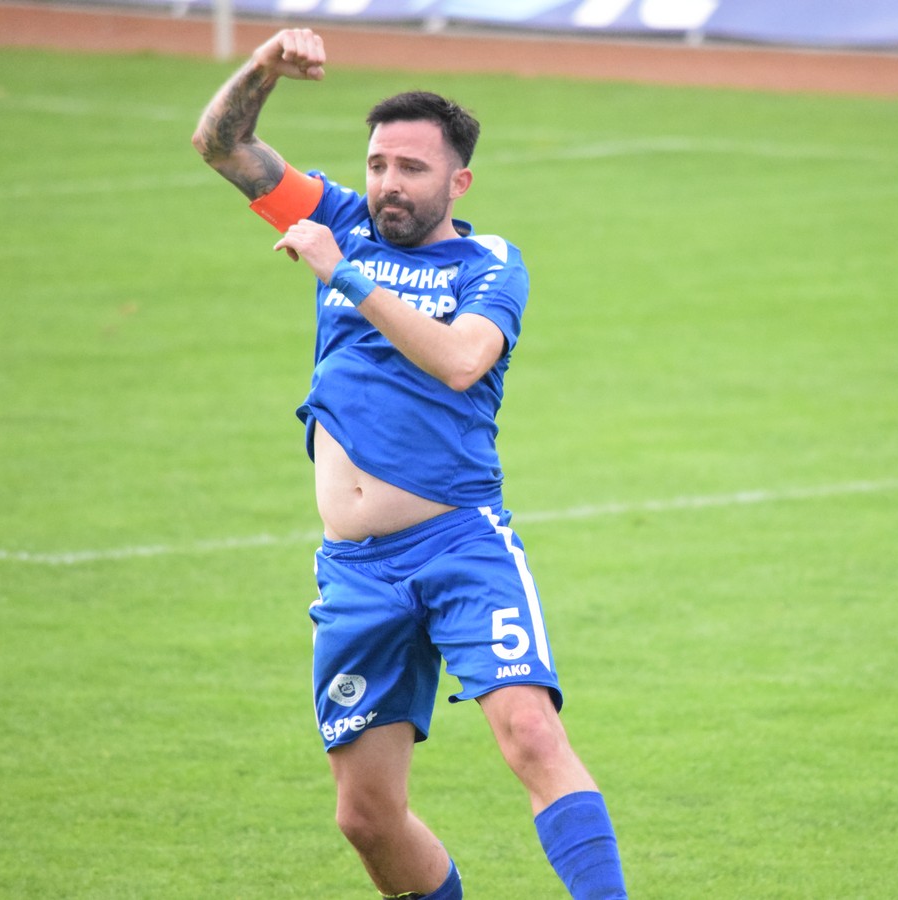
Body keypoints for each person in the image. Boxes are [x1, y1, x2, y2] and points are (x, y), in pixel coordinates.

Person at [191, 28, 628, 900]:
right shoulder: (342, 218)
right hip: (356, 571)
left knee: (531, 735)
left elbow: (462, 359)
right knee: (366, 818)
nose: (389, 183)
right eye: (378, 164)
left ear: (458, 182)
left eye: (412, 169)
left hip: (458, 544)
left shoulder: (488, 262)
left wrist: (347, 277)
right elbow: (221, 145)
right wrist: (265, 66)